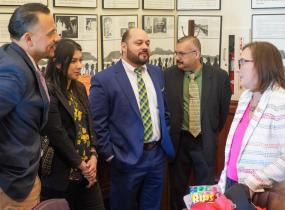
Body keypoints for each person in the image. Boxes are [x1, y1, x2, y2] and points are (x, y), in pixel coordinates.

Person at [89, 28, 175, 210]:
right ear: (123, 46)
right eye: (138, 43)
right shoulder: (104, 79)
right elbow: (98, 124)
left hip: (156, 157)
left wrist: (163, 139)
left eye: (147, 43)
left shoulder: (157, 73)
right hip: (125, 160)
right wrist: (111, 156)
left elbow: (163, 110)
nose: (144, 47)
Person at [218, 42, 285, 197]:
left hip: (255, 192)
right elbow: (234, 150)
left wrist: (251, 183)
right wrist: (223, 185)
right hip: (231, 184)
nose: (238, 68)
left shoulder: (283, 100)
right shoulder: (245, 97)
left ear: (262, 65)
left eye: (243, 62)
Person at [0, 3, 59, 209]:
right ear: (28, 38)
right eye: (51, 33)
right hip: (13, 187)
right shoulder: (14, 71)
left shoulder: (13, 57)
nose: (57, 38)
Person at [165, 35, 232, 210]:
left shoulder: (219, 77)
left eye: (182, 53)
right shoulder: (168, 75)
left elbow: (222, 112)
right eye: (176, 53)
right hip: (179, 142)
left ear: (196, 54)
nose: (177, 57)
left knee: (206, 191)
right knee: (177, 189)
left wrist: (210, 131)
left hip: (204, 141)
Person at [41, 39, 105, 210]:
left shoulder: (79, 88)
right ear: (59, 64)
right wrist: (82, 165)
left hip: (87, 171)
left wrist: (93, 155)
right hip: (62, 174)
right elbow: (56, 133)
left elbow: (89, 123)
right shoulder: (48, 90)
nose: (79, 65)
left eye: (81, 60)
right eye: (74, 61)